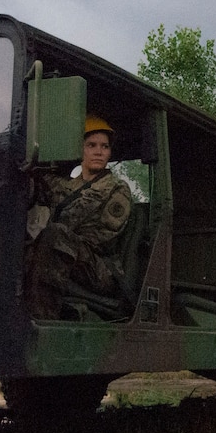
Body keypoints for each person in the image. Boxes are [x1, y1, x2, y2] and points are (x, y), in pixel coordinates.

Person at [26, 115, 133, 319]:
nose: (99, 152)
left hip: (100, 268)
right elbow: (43, 183)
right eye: (91, 145)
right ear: (80, 149)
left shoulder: (116, 188)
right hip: (69, 252)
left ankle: (42, 319)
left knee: (56, 235)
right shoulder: (70, 184)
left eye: (104, 146)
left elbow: (97, 236)